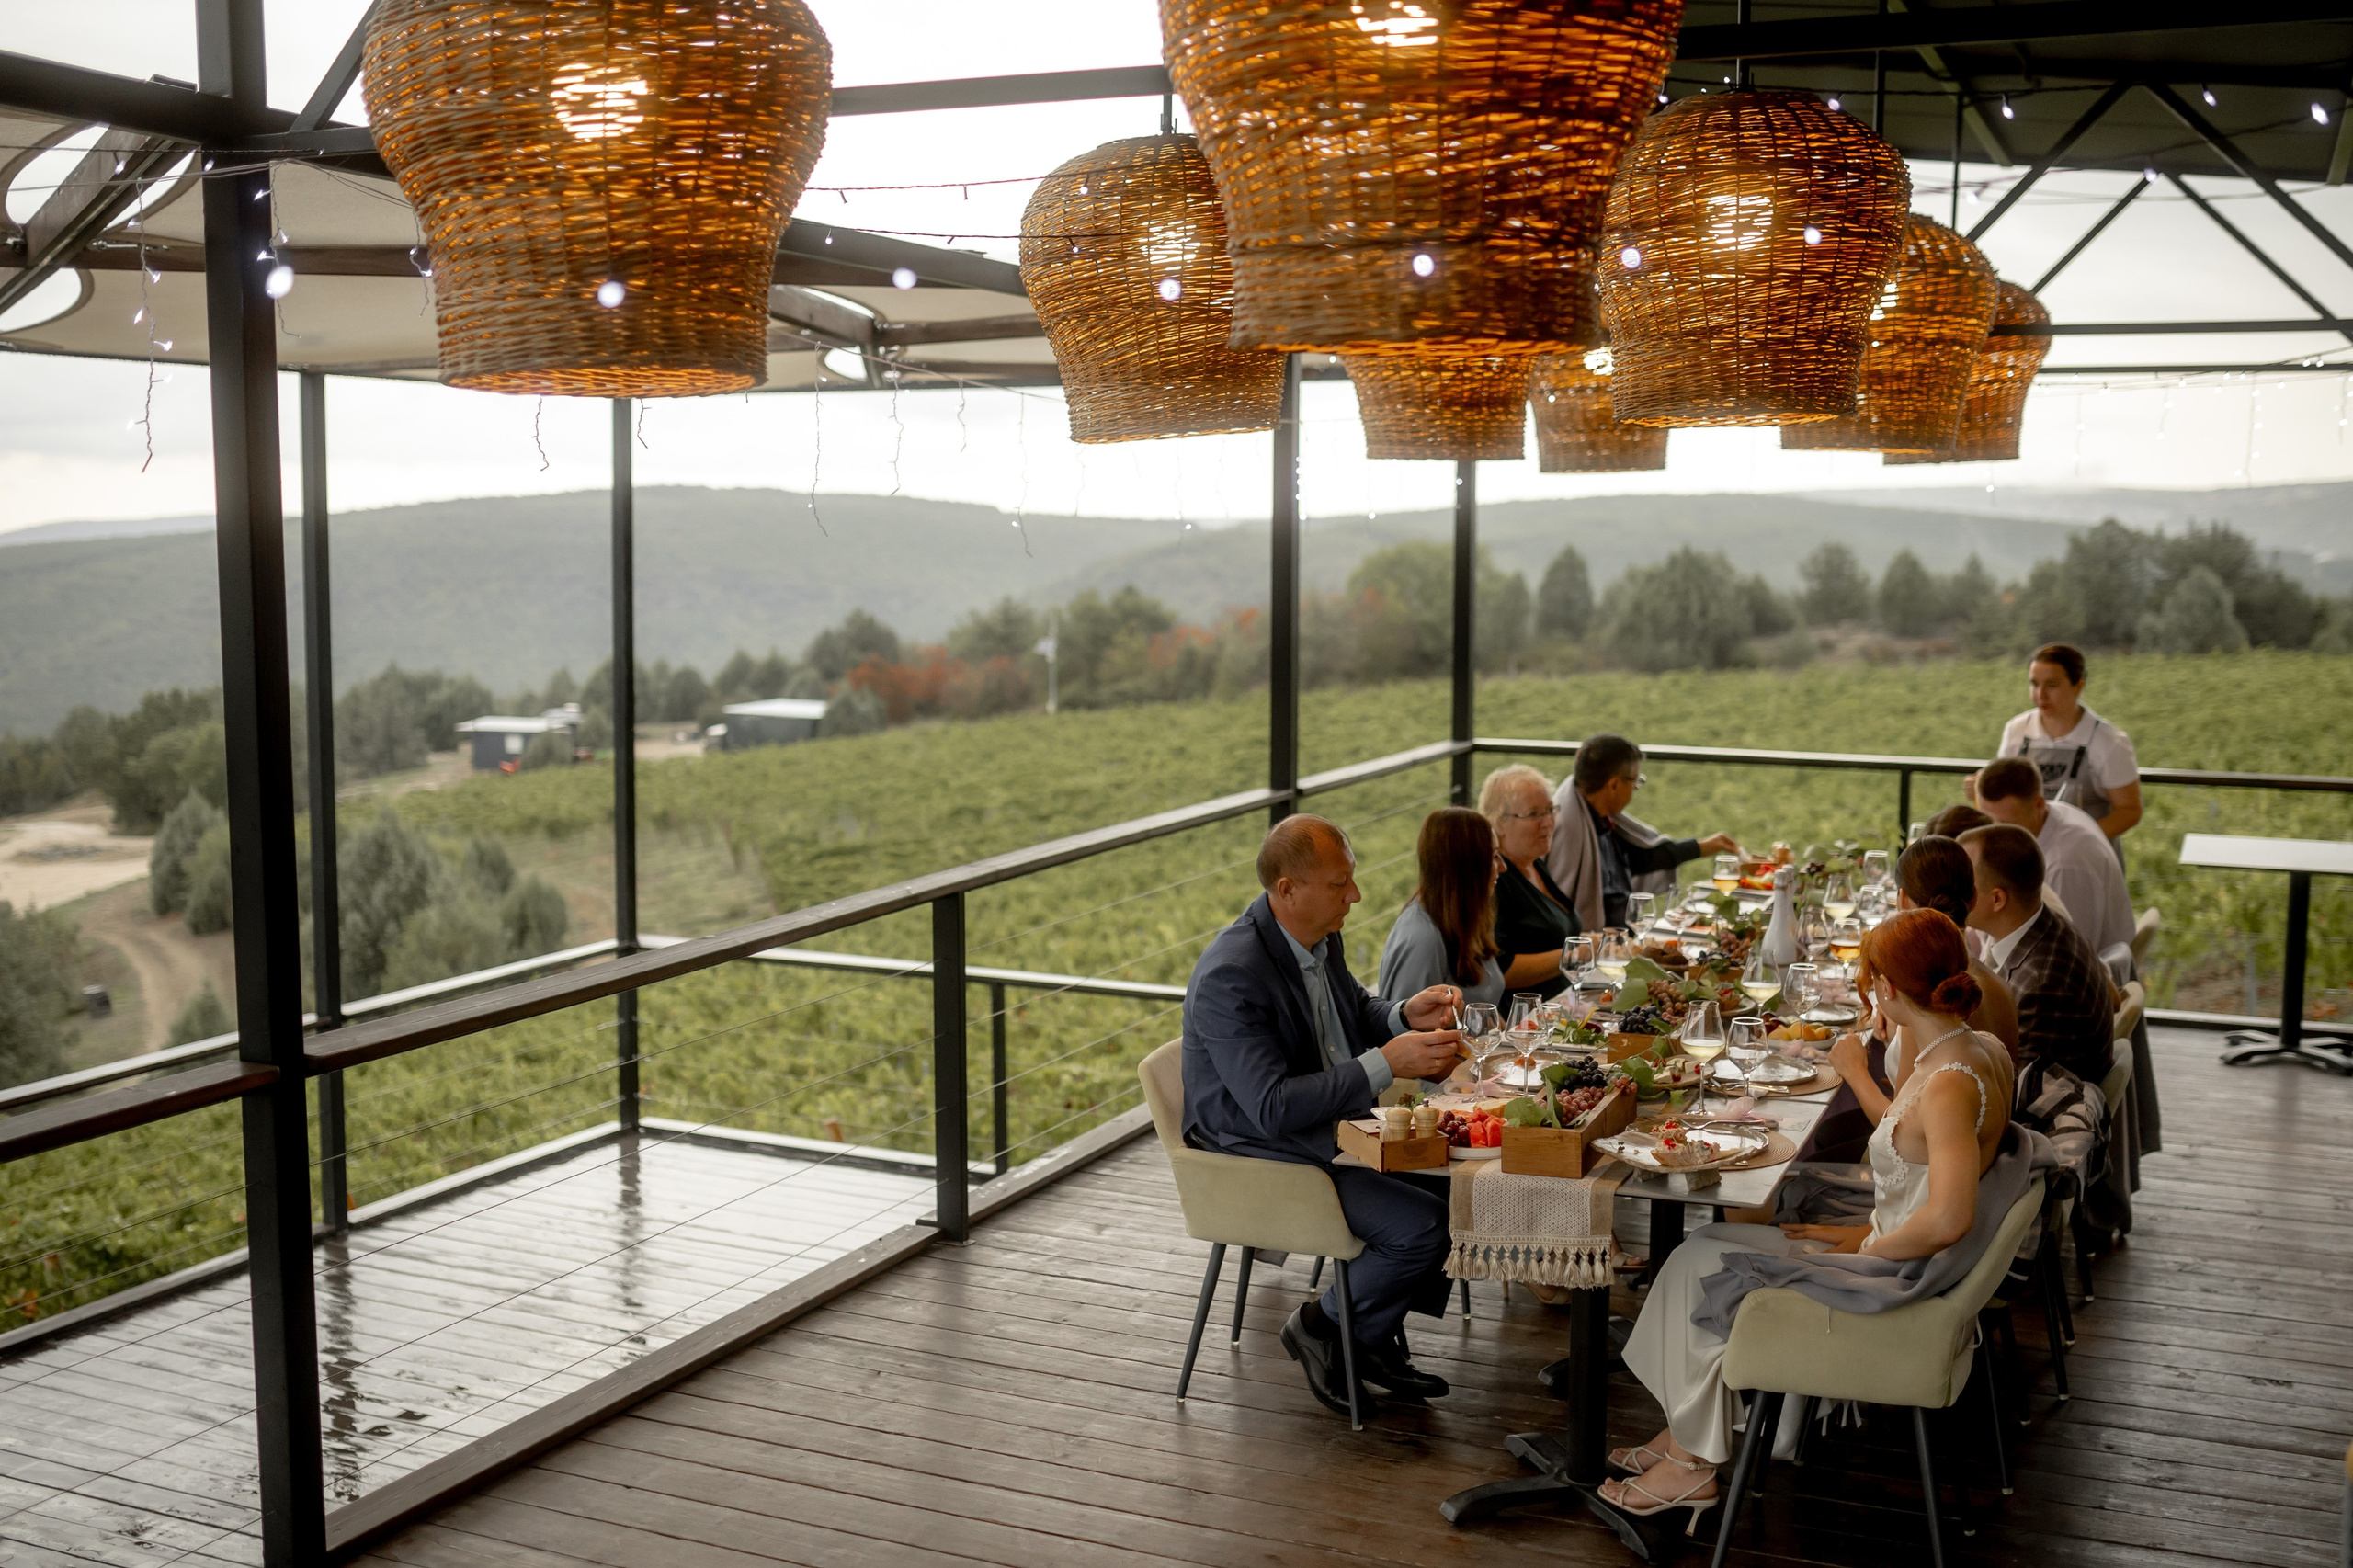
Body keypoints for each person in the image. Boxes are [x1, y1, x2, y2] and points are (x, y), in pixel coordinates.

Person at [1599, 909, 2020, 1526]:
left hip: (1898, 1278)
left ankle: (1692, 1465)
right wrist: (1858, 1230)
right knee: (1700, 1248)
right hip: (1897, 1251)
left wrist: (1868, 1250)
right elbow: (1924, 1160)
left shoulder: (1950, 1082)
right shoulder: (1974, 1047)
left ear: (1887, 989)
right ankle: (1684, 1431)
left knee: (1694, 1263)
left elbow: (1951, 1216)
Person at [1181, 814, 1469, 1421]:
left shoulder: (1318, 937)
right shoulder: (1232, 975)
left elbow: (1352, 1011)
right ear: (1288, 891)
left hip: (1328, 1127)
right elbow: (1270, 1106)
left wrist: (1400, 1017)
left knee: (1452, 1186)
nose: (1355, 896)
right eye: (1341, 884)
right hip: (1259, 1151)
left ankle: (1367, 1340)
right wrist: (1385, 1065)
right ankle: (1323, 1324)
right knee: (1421, 1225)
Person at [1959, 823, 2118, 1085]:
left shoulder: (2043, 986)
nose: (1952, 890)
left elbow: (2017, 1099)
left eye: (1963, 882)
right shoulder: (2047, 924)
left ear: (1998, 899)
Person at [1546, 734, 1741, 933]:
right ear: (1613, 785)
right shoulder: (1568, 830)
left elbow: (1640, 858)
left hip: (1625, 936)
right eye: (1634, 782)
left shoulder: (1596, 817)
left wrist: (1702, 847)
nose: (1635, 788)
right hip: (1599, 946)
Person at [1977, 642, 2143, 851]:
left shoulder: (2108, 740)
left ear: (2078, 685)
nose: (2041, 695)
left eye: (2052, 685)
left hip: (2085, 857)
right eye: (2034, 684)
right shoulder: (2016, 731)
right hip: (2025, 856)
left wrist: (2079, 841)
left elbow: (2129, 811)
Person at [1973, 756, 2135, 958]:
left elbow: (2063, 952)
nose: (1995, 834)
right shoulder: (2056, 815)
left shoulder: (2063, 864)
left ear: (2039, 805)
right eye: (1988, 821)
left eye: (2007, 824)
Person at [1378, 808, 1510, 1009]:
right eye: (1493, 857)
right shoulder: (1423, 938)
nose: (1502, 867)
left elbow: (1483, 1012)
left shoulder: (1466, 917)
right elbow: (1403, 1032)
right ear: (1467, 865)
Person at [1479, 766, 1580, 1000]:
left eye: (1550, 810)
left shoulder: (1533, 863)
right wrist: (1574, 954)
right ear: (1498, 822)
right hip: (1523, 1020)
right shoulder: (1494, 880)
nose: (1547, 823)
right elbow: (1498, 971)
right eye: (1534, 814)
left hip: (1561, 1004)